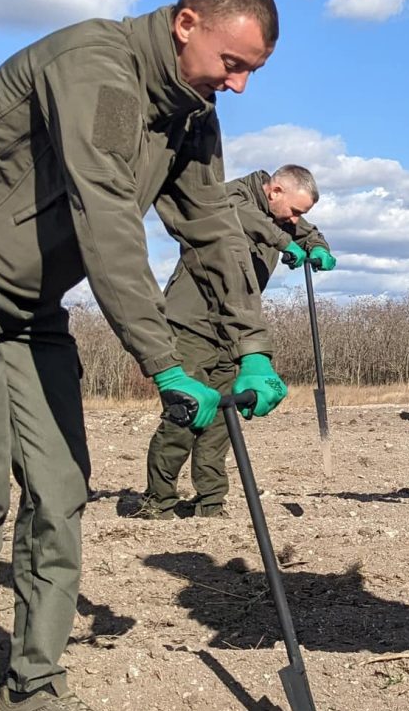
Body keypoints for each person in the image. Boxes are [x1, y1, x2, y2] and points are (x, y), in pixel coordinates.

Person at [0, 0, 287, 711]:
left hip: (29, 299)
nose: (239, 86)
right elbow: (107, 223)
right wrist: (163, 360)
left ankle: (35, 685)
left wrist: (252, 344)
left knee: (61, 488)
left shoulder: (191, 112)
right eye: (234, 64)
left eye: (252, 73)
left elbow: (214, 231)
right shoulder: (95, 66)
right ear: (187, 22)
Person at [142, 166, 335, 520]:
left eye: (301, 215)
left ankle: (210, 502)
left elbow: (306, 232)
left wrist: (318, 247)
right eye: (294, 210)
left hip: (234, 330)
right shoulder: (229, 196)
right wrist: (283, 242)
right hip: (192, 323)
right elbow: (243, 218)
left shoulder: (282, 216)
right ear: (274, 190)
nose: (295, 219)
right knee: (186, 413)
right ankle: (159, 502)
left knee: (222, 417)